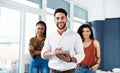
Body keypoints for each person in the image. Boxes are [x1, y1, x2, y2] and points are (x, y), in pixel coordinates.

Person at [41, 8, 85, 73]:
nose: (60, 20)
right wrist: (52, 52)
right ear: (54, 20)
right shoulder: (50, 36)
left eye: (62, 18)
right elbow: (43, 54)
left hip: (70, 71)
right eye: (57, 18)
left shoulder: (75, 35)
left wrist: (70, 59)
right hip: (53, 71)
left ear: (66, 19)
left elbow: (81, 54)